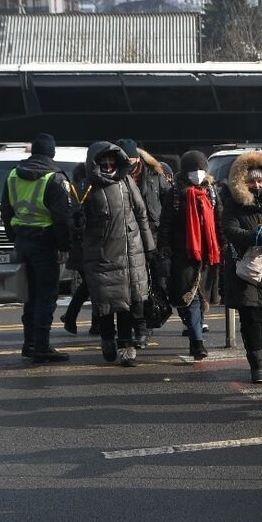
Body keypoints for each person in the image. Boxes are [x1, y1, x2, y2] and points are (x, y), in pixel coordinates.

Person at [76, 142, 155, 366]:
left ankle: (127, 347)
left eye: (112, 162)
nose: (109, 166)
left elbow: (141, 214)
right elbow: (77, 221)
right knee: (106, 304)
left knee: (127, 303)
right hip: (102, 255)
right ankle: (107, 338)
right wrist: (78, 221)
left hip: (131, 253)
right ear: (95, 164)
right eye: (104, 162)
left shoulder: (127, 182)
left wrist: (148, 247)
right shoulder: (87, 187)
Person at [0, 133, 73, 363]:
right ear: (52, 152)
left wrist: (15, 236)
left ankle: (29, 343)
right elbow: (63, 218)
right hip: (45, 242)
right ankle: (42, 346)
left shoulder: (13, 174)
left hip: (23, 242)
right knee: (46, 295)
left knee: (30, 295)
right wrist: (64, 246)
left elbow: (5, 211)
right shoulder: (55, 178)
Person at [221, 152, 262, 383]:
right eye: (251, 181)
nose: (256, 185)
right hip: (245, 269)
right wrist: (255, 237)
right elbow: (229, 230)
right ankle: (256, 364)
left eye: (260, 181)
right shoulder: (233, 205)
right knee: (251, 318)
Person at [158, 151, 222, 360]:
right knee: (191, 295)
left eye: (201, 169)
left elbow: (219, 220)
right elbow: (165, 224)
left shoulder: (211, 192)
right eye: (193, 170)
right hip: (183, 253)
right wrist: (165, 250)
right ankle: (197, 342)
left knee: (202, 294)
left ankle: (195, 327)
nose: (198, 174)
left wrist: (223, 245)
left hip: (208, 253)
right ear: (185, 172)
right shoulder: (175, 193)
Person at [116, 138, 171, 347]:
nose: (129, 164)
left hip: (152, 237)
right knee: (131, 286)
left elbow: (167, 204)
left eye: (132, 160)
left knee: (151, 284)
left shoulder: (154, 175)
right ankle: (134, 327)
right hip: (126, 238)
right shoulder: (116, 177)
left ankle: (145, 326)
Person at [61, 161, 93, 336]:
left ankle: (73, 317)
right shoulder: (81, 193)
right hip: (84, 246)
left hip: (78, 247)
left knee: (92, 285)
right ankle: (71, 317)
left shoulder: (73, 191)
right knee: (91, 284)